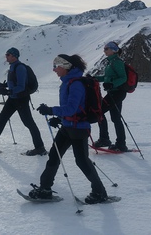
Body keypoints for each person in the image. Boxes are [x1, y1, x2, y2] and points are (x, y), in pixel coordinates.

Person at [30, 54, 108, 204]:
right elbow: (72, 109)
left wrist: (52, 110)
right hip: (68, 126)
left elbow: (72, 108)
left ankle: (100, 192)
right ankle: (45, 189)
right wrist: (59, 118)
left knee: (82, 161)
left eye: (56, 66)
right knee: (53, 156)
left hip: (79, 129)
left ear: (65, 66)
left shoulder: (76, 84)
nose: (54, 70)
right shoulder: (67, 83)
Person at [0, 47, 47, 156]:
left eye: (8, 54)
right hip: (13, 98)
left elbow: (21, 86)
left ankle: (40, 147)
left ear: (14, 56)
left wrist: (8, 92)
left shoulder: (20, 68)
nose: (6, 56)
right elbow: (14, 82)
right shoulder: (13, 67)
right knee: (2, 118)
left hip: (21, 99)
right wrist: (5, 86)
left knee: (28, 123)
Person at [92, 41, 128, 152]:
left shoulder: (117, 62)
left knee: (99, 111)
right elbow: (107, 77)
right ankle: (120, 144)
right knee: (116, 118)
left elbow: (123, 78)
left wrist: (112, 84)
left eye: (106, 49)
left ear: (113, 50)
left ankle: (105, 139)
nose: (104, 51)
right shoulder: (111, 62)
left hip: (116, 93)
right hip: (115, 92)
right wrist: (95, 78)